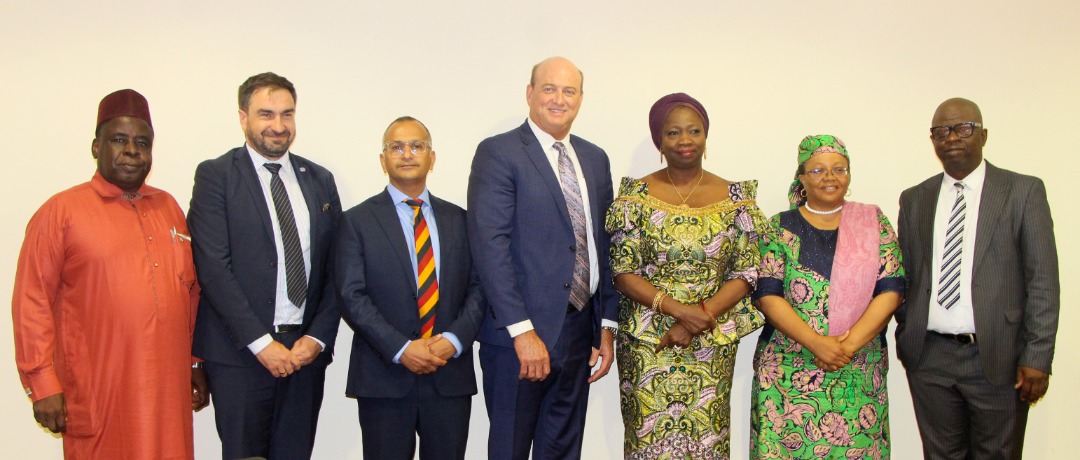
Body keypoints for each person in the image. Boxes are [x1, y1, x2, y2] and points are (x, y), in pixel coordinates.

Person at [12, 89, 206, 459]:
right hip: (99, 391)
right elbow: (31, 301)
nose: (132, 151)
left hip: (166, 392)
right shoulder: (60, 212)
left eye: (142, 142)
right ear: (95, 147)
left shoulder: (169, 208)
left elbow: (191, 292)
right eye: (119, 140)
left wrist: (194, 362)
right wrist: (41, 382)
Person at [466, 56, 619, 460]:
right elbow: (490, 246)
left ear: (581, 99)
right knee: (510, 450)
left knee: (563, 451)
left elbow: (602, 244)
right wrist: (522, 331)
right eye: (549, 88)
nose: (559, 99)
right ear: (530, 93)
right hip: (519, 338)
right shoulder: (498, 153)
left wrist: (605, 325)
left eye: (569, 91)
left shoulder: (595, 158)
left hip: (577, 332)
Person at [188, 72, 342, 459]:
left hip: (305, 355)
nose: (278, 126)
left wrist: (317, 338)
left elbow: (337, 269)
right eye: (266, 114)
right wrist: (261, 344)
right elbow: (212, 268)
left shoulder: (319, 179)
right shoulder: (216, 176)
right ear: (243, 118)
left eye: (287, 114)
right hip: (241, 356)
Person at [606, 93, 768, 459]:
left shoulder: (735, 198)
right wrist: (680, 311)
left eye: (694, 131)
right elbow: (622, 271)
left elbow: (746, 271)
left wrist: (698, 318)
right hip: (649, 341)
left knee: (708, 440)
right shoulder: (635, 198)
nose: (684, 140)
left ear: (706, 137)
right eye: (673, 132)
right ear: (659, 141)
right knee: (648, 442)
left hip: (713, 339)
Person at [895, 98, 1059, 459]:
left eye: (963, 128)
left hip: (999, 356)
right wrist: (909, 335)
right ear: (933, 140)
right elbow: (906, 274)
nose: (952, 137)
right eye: (941, 131)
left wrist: (1038, 355)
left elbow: (1043, 280)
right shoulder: (915, 199)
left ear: (983, 135)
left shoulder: (1022, 191)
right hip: (930, 357)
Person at [335, 116, 484, 460]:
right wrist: (402, 348)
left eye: (417, 146)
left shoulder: (462, 220)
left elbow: (479, 288)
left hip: (450, 376)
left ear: (432, 158)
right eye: (396, 147)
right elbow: (351, 295)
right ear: (382, 159)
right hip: (384, 377)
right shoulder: (356, 222)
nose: (407, 154)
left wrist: (454, 340)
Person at [750, 134, 905, 458]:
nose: (830, 177)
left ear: (849, 175)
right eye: (818, 170)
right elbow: (767, 294)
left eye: (839, 169)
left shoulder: (873, 222)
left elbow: (891, 290)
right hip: (787, 373)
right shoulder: (779, 227)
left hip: (857, 370)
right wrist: (817, 343)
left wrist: (844, 348)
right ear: (802, 177)